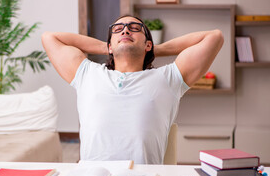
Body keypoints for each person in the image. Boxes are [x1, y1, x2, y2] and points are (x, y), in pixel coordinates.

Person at [41, 15, 224, 164]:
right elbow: (50, 38)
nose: (126, 30)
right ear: (109, 46)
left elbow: (214, 37)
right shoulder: (87, 74)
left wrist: (153, 50)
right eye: (118, 29)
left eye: (135, 28)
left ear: (148, 44)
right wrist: (111, 47)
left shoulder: (168, 78)